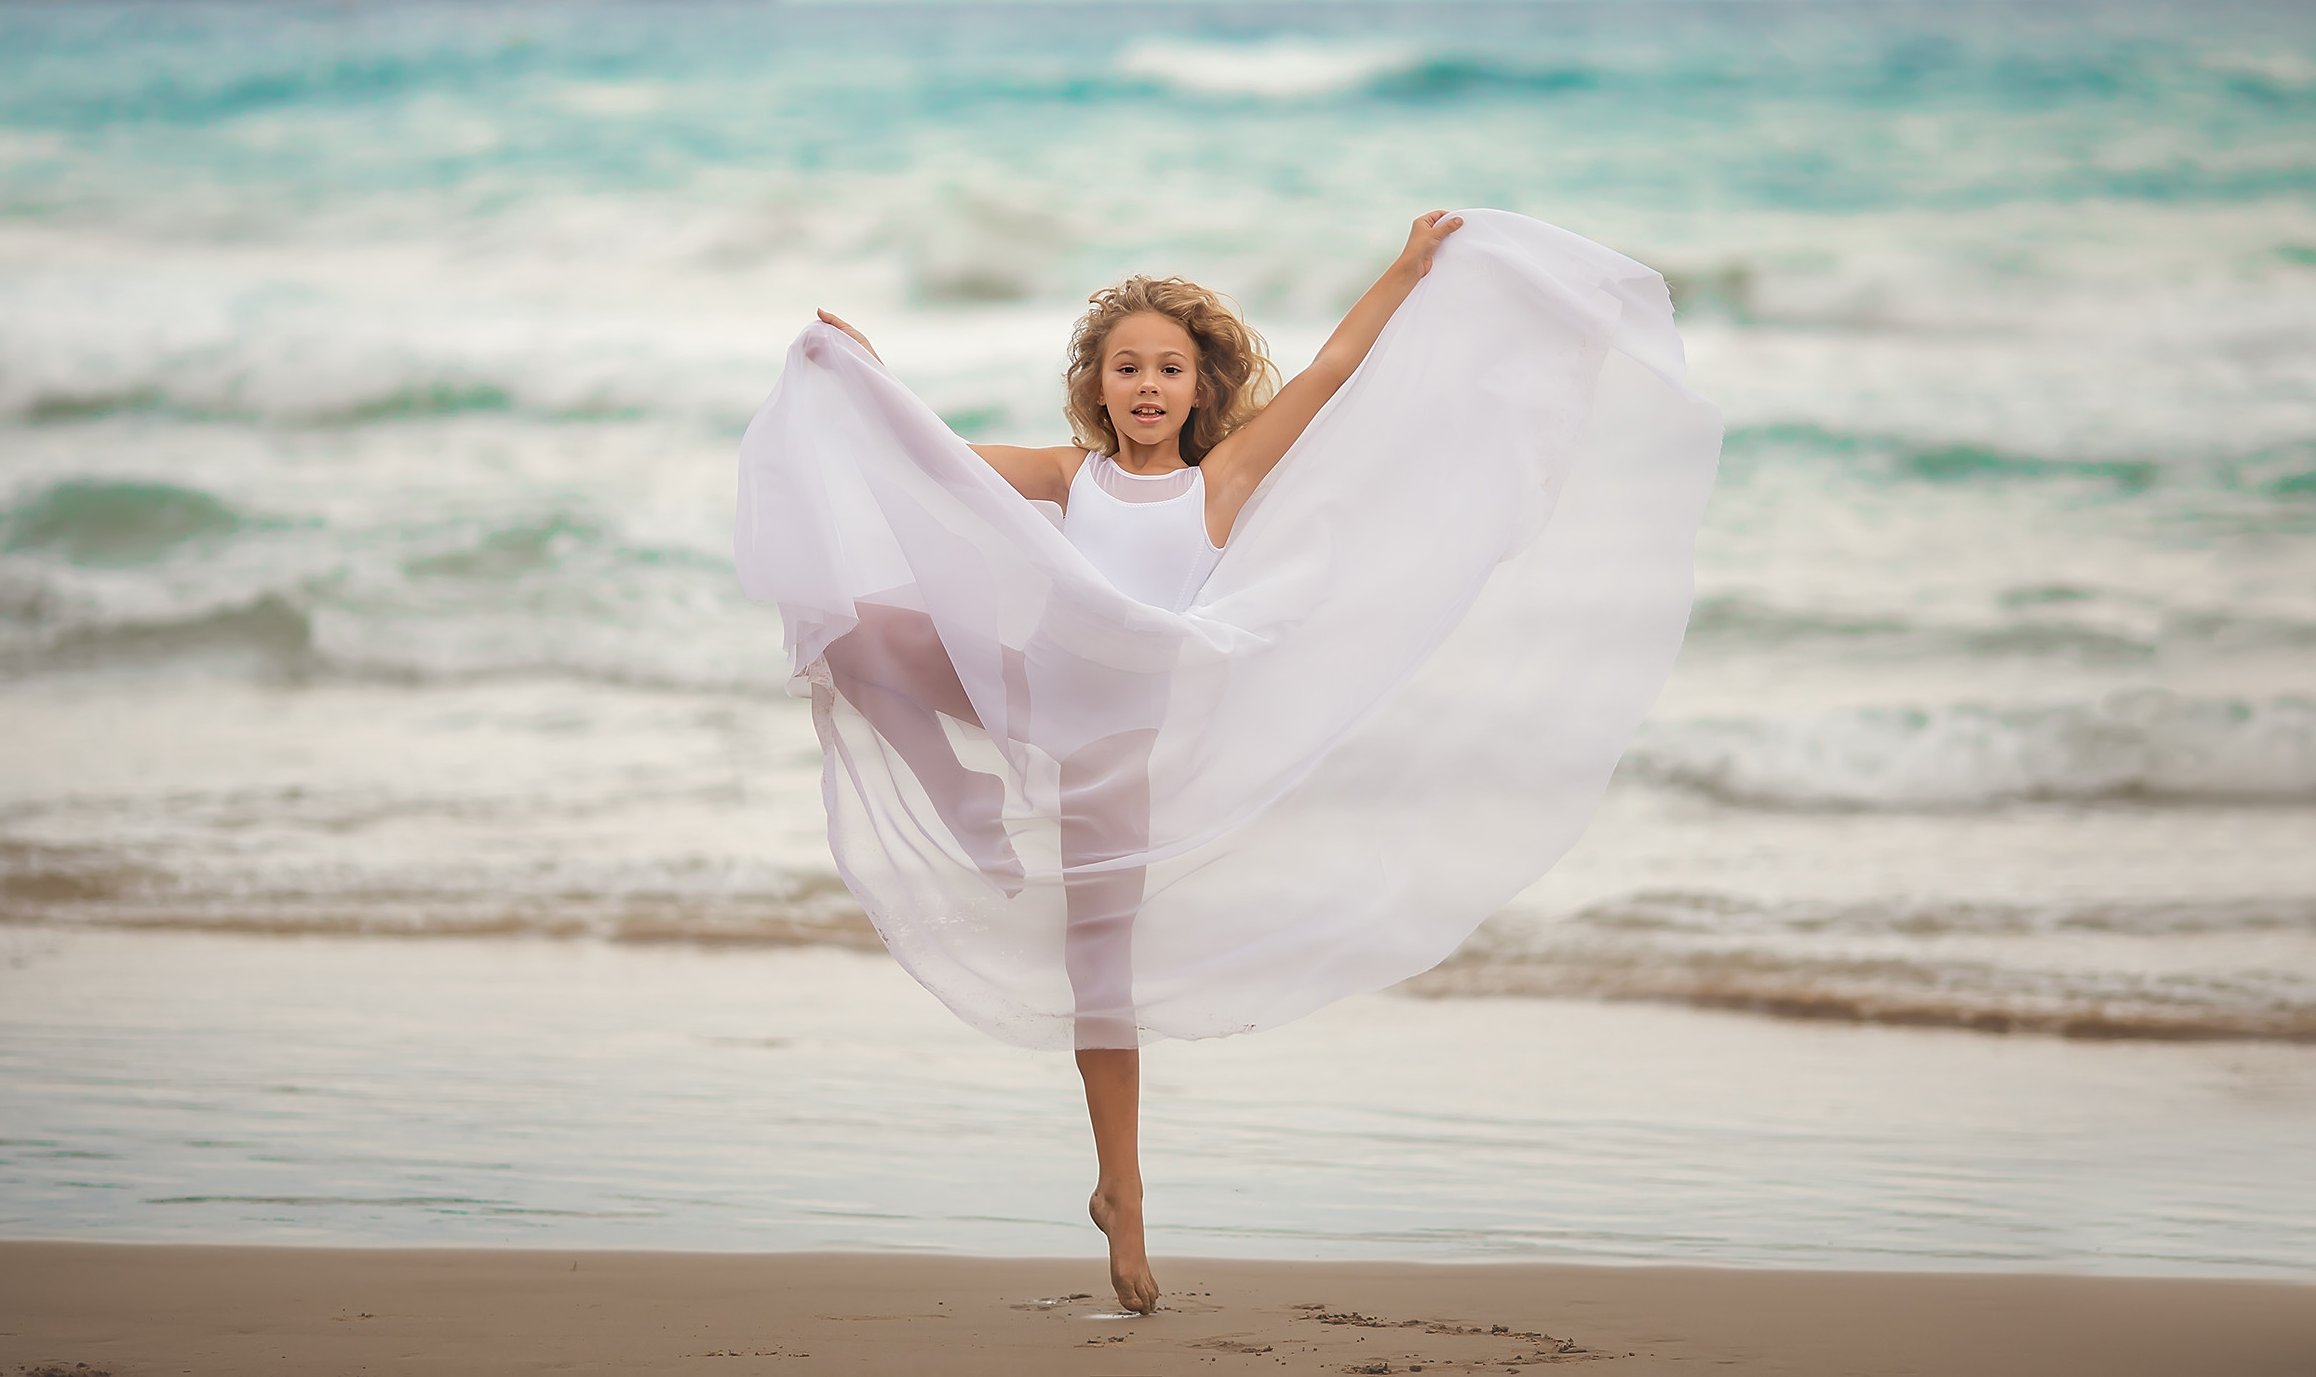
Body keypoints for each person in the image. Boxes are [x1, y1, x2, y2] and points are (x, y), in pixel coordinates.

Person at [735, 207, 1720, 1314]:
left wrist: (1404, 267)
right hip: (1023, 689)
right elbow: (938, 464)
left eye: (1167, 368)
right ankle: (960, 790)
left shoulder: (1226, 482)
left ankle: (1124, 1194)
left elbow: (1340, 370)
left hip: (1112, 746)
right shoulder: (1068, 477)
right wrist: (864, 376)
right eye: (1125, 368)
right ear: (1095, 385)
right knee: (842, 627)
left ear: (1201, 386)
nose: (1146, 386)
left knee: (1096, 975)